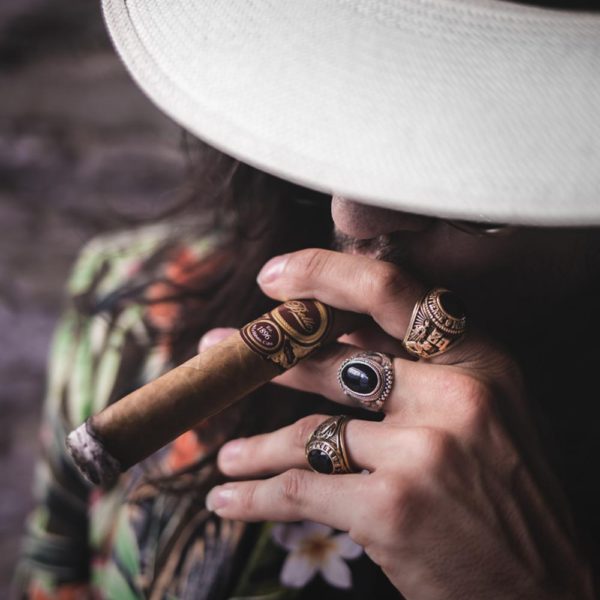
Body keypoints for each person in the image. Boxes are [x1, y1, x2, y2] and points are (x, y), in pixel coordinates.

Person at [13, 0, 600, 598]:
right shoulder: (127, 304)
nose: (350, 217)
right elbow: (54, 571)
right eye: (345, 124)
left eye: (469, 196)